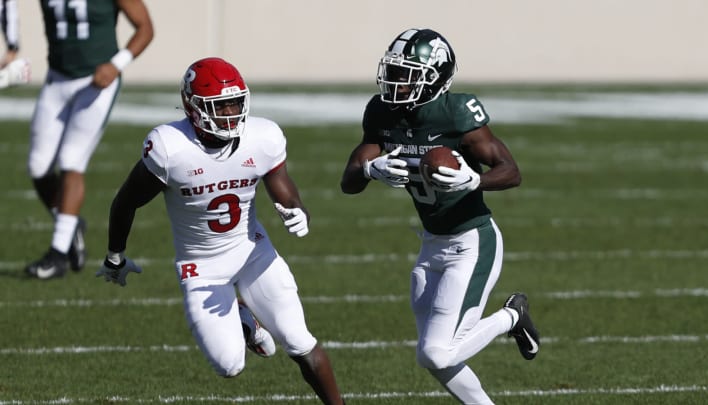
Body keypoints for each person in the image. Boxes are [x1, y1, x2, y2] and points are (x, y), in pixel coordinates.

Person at [95, 57, 345, 405]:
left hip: (252, 252)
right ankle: (246, 318)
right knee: (229, 365)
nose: (230, 113)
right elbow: (125, 202)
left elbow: (283, 188)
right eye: (219, 105)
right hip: (202, 268)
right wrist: (115, 256)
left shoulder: (262, 136)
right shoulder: (170, 148)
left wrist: (298, 212)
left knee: (298, 339)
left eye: (235, 103)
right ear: (192, 107)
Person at [340, 28, 540, 404]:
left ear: (435, 78)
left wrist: (474, 180)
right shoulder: (382, 112)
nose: (396, 82)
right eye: (395, 72)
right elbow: (348, 182)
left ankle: (512, 316)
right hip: (431, 245)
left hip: (472, 241)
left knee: (435, 352)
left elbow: (511, 171)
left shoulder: (454, 111)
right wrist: (369, 170)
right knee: (438, 358)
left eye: (407, 74)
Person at [24, 0, 154, 279]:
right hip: (57, 78)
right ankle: (71, 226)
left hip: (96, 81)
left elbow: (145, 28)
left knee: (72, 160)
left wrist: (116, 64)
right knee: (38, 167)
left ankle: (58, 255)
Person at [0, 0, 30, 89]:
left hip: (9, 12)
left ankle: (8, 76)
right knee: (13, 48)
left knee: (13, 48)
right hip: (8, 12)